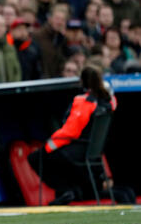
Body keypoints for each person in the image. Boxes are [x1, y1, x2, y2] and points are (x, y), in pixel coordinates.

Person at [28, 66, 121, 205]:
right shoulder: (108, 101)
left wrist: (48, 146)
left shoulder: (84, 101)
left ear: (82, 81)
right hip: (93, 151)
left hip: (78, 150)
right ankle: (69, 192)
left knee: (36, 158)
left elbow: (71, 131)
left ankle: (66, 190)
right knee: (55, 157)